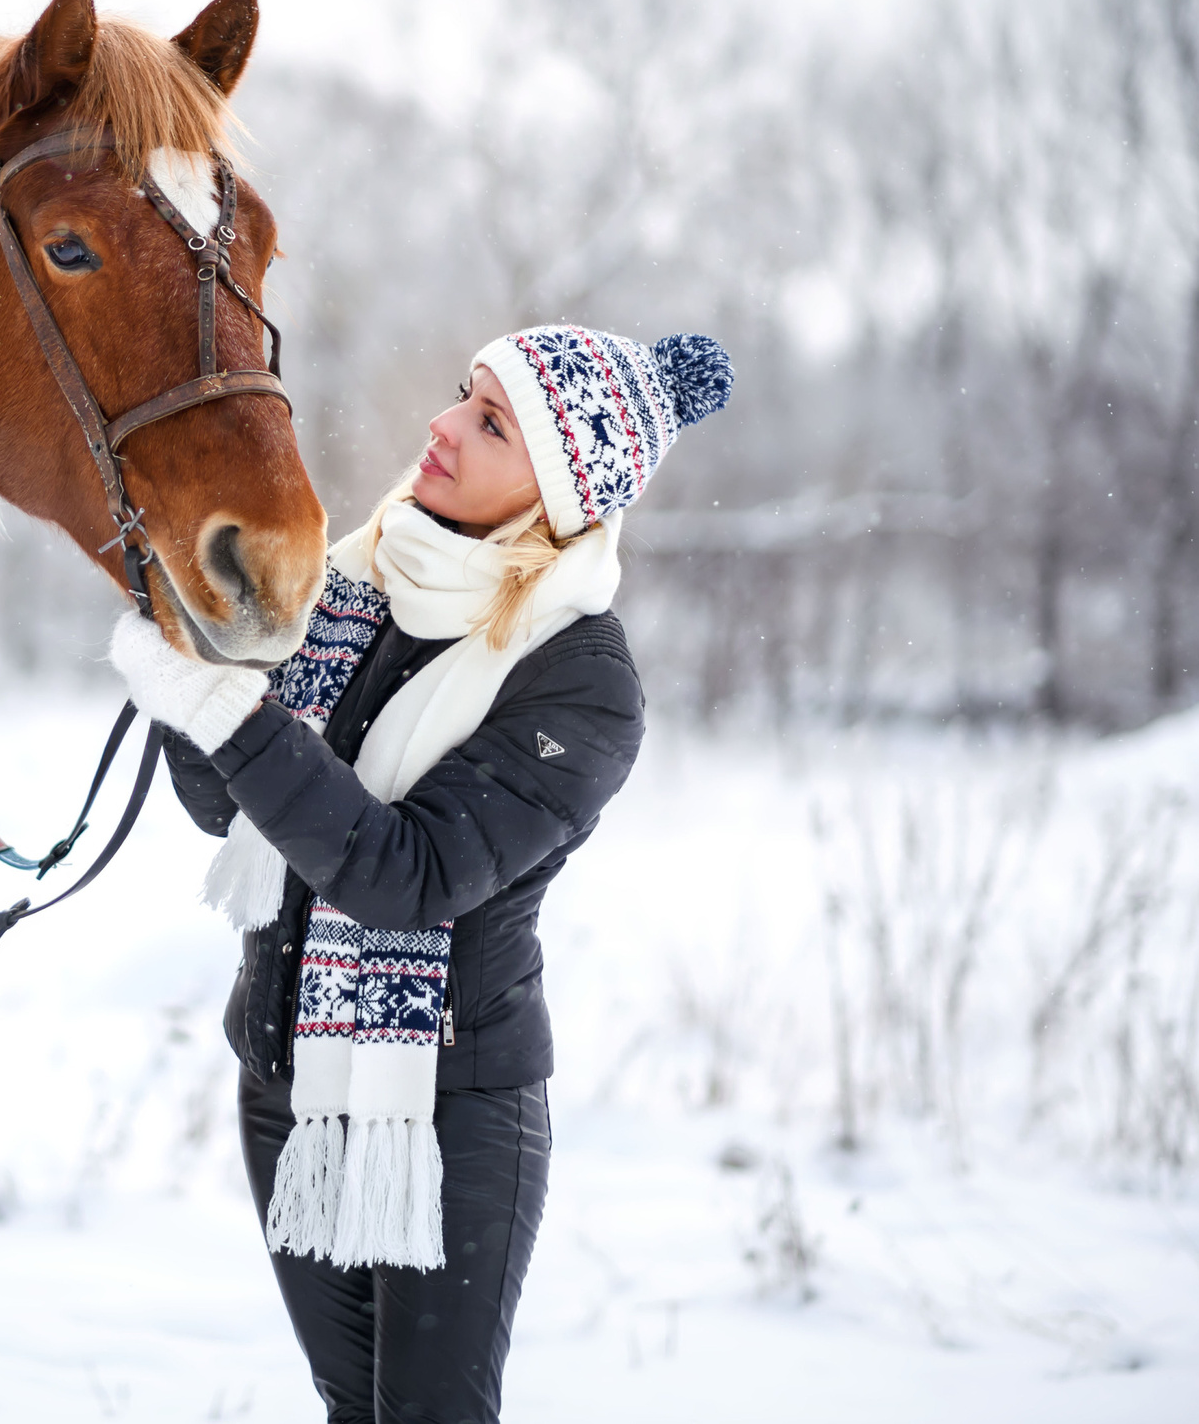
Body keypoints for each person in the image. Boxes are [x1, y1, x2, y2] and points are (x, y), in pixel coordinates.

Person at [109, 324, 733, 1424]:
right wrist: (199, 638)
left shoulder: (578, 683)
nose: (440, 426)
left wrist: (233, 717)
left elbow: (406, 876)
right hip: (285, 1084)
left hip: (448, 1117)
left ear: (557, 494)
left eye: (491, 423)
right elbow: (225, 805)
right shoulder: (357, 577)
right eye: (462, 396)